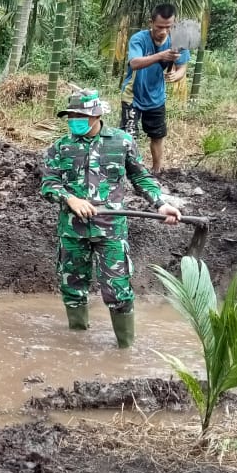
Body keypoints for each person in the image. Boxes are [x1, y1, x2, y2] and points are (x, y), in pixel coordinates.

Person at [41, 89, 181, 348]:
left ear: (96, 115)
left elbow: (140, 177)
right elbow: (49, 185)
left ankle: (125, 349)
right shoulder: (61, 147)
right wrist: (70, 199)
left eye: (79, 115)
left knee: (118, 290)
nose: (74, 120)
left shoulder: (122, 142)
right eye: (70, 115)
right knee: (73, 288)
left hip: (111, 232)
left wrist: (160, 204)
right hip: (72, 232)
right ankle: (76, 342)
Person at [119, 3, 191, 174]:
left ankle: (157, 171)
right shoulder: (139, 39)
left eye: (169, 27)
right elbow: (134, 63)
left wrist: (176, 75)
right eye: (159, 27)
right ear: (150, 22)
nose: (164, 31)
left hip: (156, 97)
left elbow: (183, 67)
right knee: (128, 136)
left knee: (157, 136)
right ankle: (128, 171)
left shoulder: (178, 41)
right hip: (133, 96)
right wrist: (161, 55)